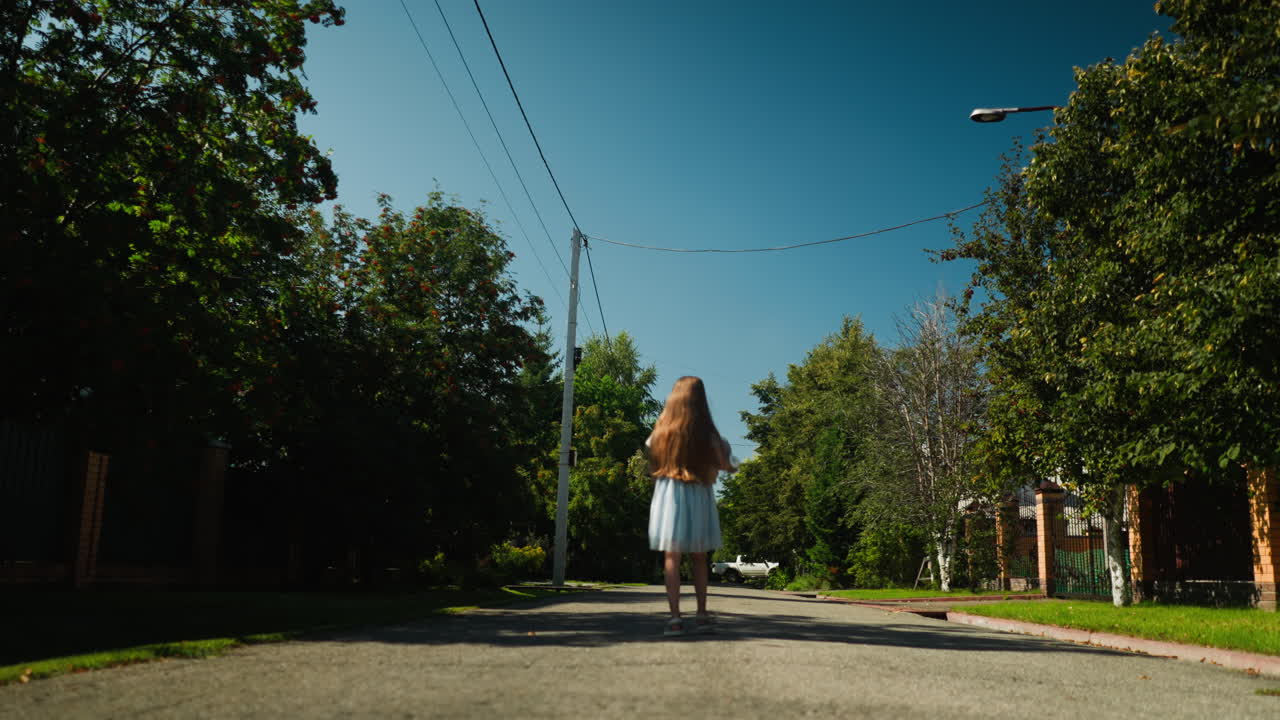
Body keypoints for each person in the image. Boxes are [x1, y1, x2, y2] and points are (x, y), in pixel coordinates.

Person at [645, 376, 737, 637]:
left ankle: (674, 619)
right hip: (698, 492)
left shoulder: (661, 432)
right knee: (699, 557)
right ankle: (701, 613)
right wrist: (733, 463)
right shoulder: (707, 433)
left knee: (671, 557)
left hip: (669, 494)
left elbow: (650, 451)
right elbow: (724, 463)